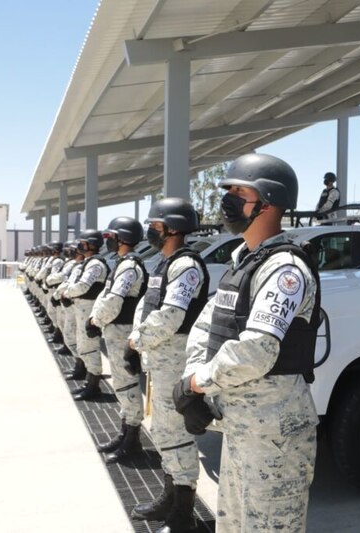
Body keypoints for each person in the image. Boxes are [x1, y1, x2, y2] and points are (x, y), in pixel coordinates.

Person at [180, 153, 320, 533]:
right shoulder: (243, 261)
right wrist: (193, 378)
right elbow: (206, 326)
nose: (227, 200)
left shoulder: (285, 269)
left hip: (275, 438)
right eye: (227, 191)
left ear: (268, 201)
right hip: (242, 430)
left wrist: (197, 384)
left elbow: (257, 351)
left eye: (238, 191)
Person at [127, 198, 209, 533]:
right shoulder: (166, 262)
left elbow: (171, 316)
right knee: (162, 432)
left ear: (172, 227)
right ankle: (169, 497)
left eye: (155, 225)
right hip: (159, 363)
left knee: (176, 435)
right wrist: (138, 340)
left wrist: (135, 341)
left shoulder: (186, 266)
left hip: (174, 363)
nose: (150, 230)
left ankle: (183, 512)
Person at [88, 216, 147, 463]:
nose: (108, 242)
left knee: (126, 386)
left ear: (122, 238)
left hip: (122, 333)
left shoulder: (130, 266)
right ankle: (125, 434)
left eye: (111, 237)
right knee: (122, 387)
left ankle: (132, 440)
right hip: (115, 332)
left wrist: (95, 320)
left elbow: (113, 300)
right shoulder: (122, 263)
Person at [63, 229, 109, 400]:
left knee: (90, 348)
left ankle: (93, 385)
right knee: (83, 347)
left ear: (91, 244)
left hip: (89, 308)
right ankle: (89, 382)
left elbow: (83, 286)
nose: (80, 246)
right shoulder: (88, 263)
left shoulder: (96, 264)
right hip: (81, 307)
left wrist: (65, 293)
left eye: (83, 242)